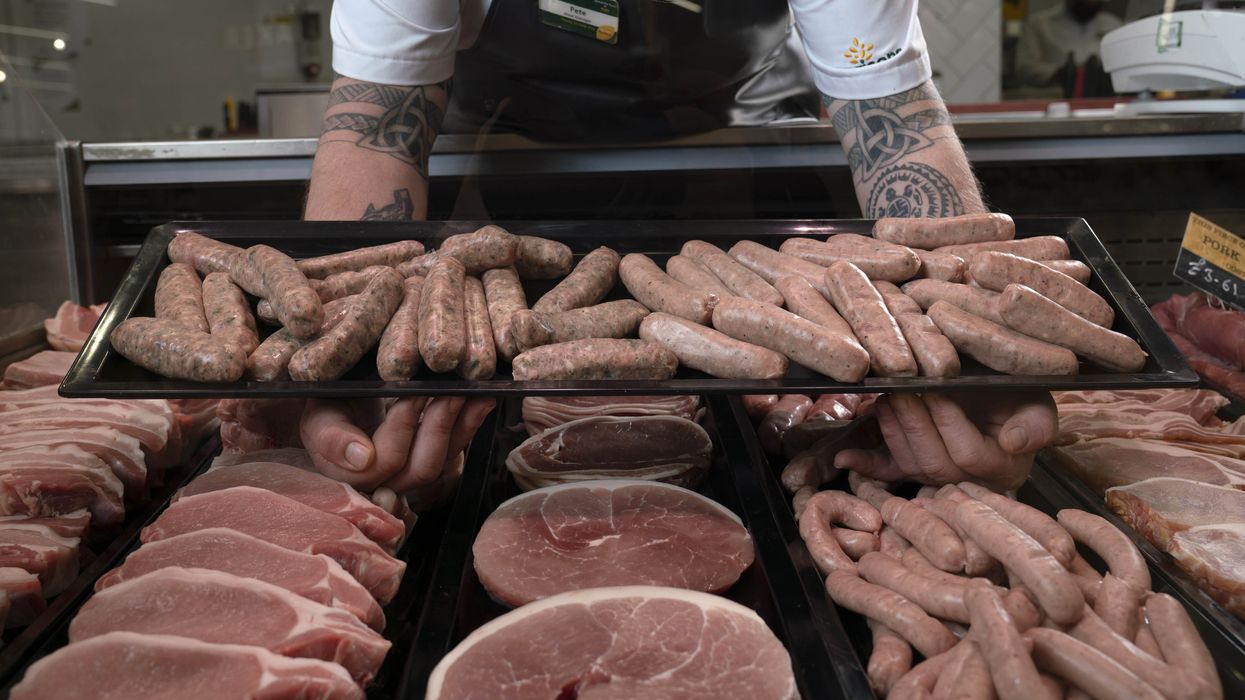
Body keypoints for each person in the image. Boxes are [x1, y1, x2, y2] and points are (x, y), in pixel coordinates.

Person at [294, 0, 1058, 493]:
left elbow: (895, 126)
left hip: (743, 188)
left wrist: (970, 339)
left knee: (780, 418)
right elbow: (376, 125)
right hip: (521, 197)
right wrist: (347, 364)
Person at [1017, 0, 1123, 94]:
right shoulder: (1038, 24)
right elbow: (1024, 67)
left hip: (1104, 100)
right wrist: (1061, 74)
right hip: (1053, 101)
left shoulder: (1113, 24)